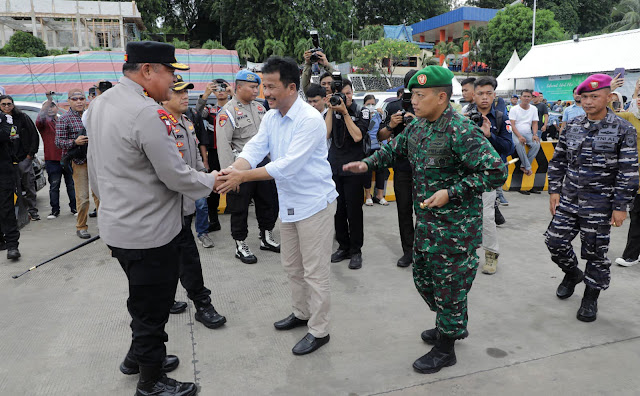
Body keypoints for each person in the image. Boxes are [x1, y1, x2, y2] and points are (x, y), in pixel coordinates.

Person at [343, 65, 507, 374]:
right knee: (425, 281)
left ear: (441, 97)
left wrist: (453, 191)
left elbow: (496, 171)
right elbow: (392, 149)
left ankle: (446, 345)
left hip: (456, 230)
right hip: (429, 225)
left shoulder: (461, 131)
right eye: (412, 95)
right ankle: (451, 321)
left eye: (420, 95)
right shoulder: (418, 127)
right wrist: (366, 164)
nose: (413, 101)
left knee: (450, 287)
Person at [86, 41, 215, 396]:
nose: (174, 80)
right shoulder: (146, 113)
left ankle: (137, 360)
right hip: (150, 233)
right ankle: (151, 382)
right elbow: (176, 176)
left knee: (141, 300)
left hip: (118, 227)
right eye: (170, 72)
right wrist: (213, 180)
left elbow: (96, 168)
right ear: (147, 71)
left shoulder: (101, 103)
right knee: (153, 311)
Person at [216, 56, 338, 356]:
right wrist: (235, 170)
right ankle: (301, 312)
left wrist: (242, 176)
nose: (264, 92)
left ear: (291, 87)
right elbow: (255, 148)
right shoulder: (271, 117)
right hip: (291, 205)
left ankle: (319, 330)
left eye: (271, 86)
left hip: (314, 206)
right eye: (262, 86)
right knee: (292, 266)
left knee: (315, 271)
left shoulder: (309, 120)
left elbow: (288, 166)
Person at [545, 74, 638, 323]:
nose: (588, 101)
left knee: (595, 253)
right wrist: (554, 190)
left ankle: (590, 296)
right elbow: (559, 160)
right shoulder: (573, 125)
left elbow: (628, 171)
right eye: (584, 97)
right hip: (569, 199)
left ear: (609, 97)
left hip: (600, 204)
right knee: (554, 242)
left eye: (594, 96)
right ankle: (572, 273)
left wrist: (620, 207)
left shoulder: (623, 129)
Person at [159, 74, 227, 329]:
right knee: (180, 258)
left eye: (187, 91)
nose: (185, 95)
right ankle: (201, 304)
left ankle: (193, 302)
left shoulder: (186, 122)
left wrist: (207, 178)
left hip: (185, 203)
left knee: (183, 257)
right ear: (165, 95)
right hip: (168, 206)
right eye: (178, 92)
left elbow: (196, 160)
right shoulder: (159, 125)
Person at [217, 69, 280, 264]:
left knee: (268, 202)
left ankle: (266, 236)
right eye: (252, 87)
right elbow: (223, 145)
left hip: (262, 165)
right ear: (239, 87)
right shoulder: (227, 111)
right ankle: (240, 243)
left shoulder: (260, 108)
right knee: (240, 207)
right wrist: (230, 174)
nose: (256, 91)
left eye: (257, 87)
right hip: (240, 165)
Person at [465, 76, 513, 274]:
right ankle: (466, 254)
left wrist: (489, 135)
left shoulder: (501, 117)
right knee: (465, 216)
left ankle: (491, 256)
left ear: (494, 95)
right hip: (465, 173)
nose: (484, 97)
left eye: (488, 93)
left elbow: (508, 147)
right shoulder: (464, 116)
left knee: (486, 216)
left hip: (487, 175)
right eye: (480, 93)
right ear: (473, 96)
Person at [325, 77, 369, 270]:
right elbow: (325, 134)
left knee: (354, 211)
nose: (345, 97)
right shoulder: (332, 110)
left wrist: (344, 113)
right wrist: (330, 109)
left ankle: (356, 250)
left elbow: (357, 136)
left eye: (348, 93)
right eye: (341, 94)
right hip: (334, 167)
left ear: (353, 93)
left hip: (354, 169)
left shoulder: (362, 111)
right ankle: (343, 246)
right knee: (338, 211)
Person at [377, 70, 418, 268]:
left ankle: (424, 250)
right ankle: (408, 251)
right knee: (403, 210)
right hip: (402, 167)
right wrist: (392, 125)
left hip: (426, 168)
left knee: (425, 211)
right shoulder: (394, 106)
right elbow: (380, 137)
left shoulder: (430, 107)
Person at [55, 88, 99, 239]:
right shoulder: (64, 119)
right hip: (78, 161)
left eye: (81, 98)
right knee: (83, 197)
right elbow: (58, 142)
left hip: (95, 159)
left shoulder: (91, 115)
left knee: (100, 194)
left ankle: (106, 224)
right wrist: (74, 141)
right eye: (75, 99)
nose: (79, 101)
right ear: (69, 101)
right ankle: (81, 227)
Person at [195, 78, 234, 233]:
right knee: (213, 187)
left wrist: (234, 94)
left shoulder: (233, 108)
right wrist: (205, 94)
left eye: (224, 88)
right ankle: (214, 221)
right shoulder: (210, 110)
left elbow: (242, 107)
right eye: (217, 89)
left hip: (231, 153)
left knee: (236, 185)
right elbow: (197, 113)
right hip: (213, 153)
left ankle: (238, 221)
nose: (221, 91)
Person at [36, 94, 76, 219]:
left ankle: (74, 208)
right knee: (54, 185)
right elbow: (39, 119)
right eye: (47, 106)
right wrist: (49, 100)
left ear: (57, 108)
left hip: (67, 158)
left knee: (71, 184)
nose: (50, 108)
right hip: (52, 159)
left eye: (52, 106)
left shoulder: (62, 121)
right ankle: (55, 210)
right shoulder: (44, 123)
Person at [0, 95, 40, 221]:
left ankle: (32, 211)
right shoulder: (1, 120)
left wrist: (30, 155)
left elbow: (34, 135)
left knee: (28, 185)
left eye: (9, 104)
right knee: (9, 188)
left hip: (23, 158)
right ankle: (12, 214)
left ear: (13, 104)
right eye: (3, 104)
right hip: (7, 161)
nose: (7, 106)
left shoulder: (22, 117)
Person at [614, 95, 640, 267]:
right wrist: (612, 92)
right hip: (636, 176)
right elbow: (607, 113)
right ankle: (631, 255)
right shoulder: (631, 118)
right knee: (637, 216)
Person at [0, 108, 20, 259]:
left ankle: (12, 245)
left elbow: (8, 135)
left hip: (4, 172)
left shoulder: (5, 118)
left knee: (7, 208)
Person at [362, 94, 389, 206]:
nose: (371, 106)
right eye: (368, 104)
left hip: (379, 146)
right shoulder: (363, 115)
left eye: (373, 104)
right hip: (367, 147)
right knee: (367, 171)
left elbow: (385, 127)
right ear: (364, 105)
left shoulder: (378, 115)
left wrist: (382, 115)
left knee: (381, 170)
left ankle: (380, 195)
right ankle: (368, 196)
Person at [508, 89, 540, 180]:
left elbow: (534, 123)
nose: (526, 98)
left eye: (528, 96)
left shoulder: (534, 109)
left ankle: (524, 165)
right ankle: (528, 167)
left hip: (528, 133)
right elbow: (512, 125)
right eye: (524, 96)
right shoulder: (514, 109)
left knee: (536, 144)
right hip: (516, 132)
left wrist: (535, 134)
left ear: (531, 98)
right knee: (519, 144)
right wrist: (519, 136)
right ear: (520, 98)